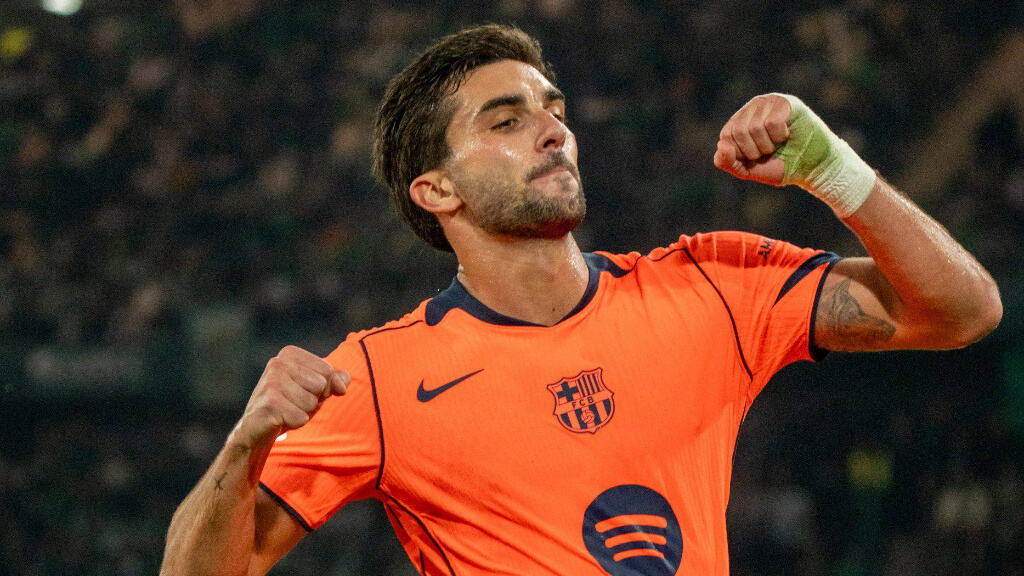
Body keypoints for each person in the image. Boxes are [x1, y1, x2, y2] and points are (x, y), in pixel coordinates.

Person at [160, 24, 1001, 576]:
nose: (553, 129)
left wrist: (832, 168)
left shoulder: (709, 286)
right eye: (505, 120)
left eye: (552, 108)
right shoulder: (375, 379)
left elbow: (962, 312)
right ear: (436, 190)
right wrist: (244, 447)